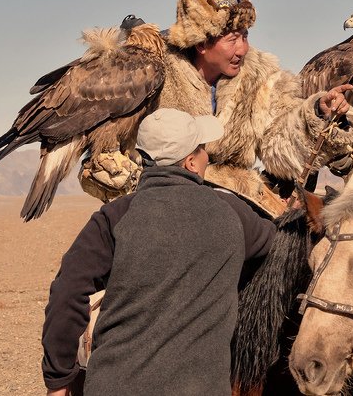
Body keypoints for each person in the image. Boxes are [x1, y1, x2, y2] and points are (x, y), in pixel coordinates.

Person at [82, 0, 353, 217]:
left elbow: (279, 144)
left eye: (245, 36)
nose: (243, 49)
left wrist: (317, 114)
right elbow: (112, 152)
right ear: (202, 42)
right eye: (232, 39)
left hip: (236, 201)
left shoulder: (261, 77)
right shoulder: (153, 72)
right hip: (160, 202)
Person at [42, 108, 277, 396]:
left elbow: (66, 293)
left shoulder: (114, 217)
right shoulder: (233, 214)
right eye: (202, 149)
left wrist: (58, 379)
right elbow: (280, 248)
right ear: (191, 162)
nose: (207, 156)